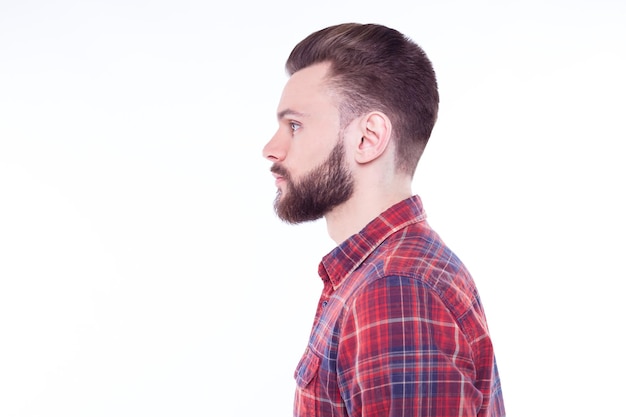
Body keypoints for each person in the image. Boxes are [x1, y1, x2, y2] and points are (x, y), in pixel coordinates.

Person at [262, 23, 505, 417]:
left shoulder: (396, 289)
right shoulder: (381, 274)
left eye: (294, 125)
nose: (271, 149)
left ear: (367, 138)